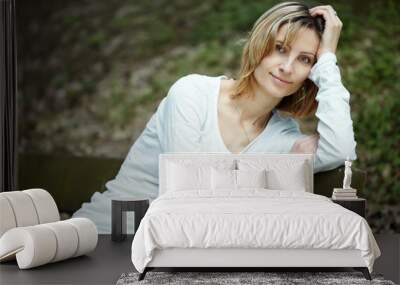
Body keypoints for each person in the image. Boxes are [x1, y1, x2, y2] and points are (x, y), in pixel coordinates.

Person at [73, 1, 357, 233]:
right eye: (280, 48)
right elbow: (186, 194)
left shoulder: (283, 138)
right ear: (259, 45)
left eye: (305, 59)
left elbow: (340, 150)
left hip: (173, 257)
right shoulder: (192, 94)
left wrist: (329, 59)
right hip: (101, 236)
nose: (287, 67)